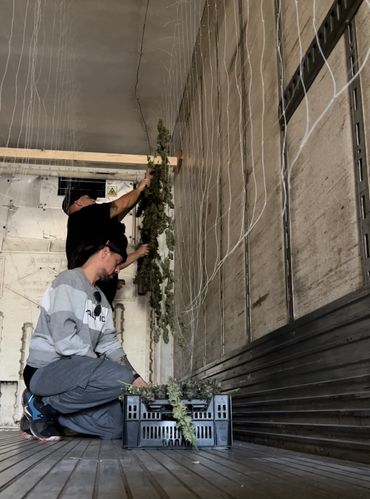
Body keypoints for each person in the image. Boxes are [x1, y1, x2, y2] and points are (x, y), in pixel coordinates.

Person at [21, 237, 146, 442]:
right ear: (104, 252)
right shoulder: (67, 281)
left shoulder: (102, 300)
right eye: (117, 262)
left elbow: (109, 344)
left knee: (114, 428)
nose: (117, 270)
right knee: (117, 378)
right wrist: (111, 373)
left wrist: (135, 376)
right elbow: (64, 342)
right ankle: (40, 403)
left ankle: (40, 415)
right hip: (46, 370)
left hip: (78, 372)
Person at [62, 171, 152, 305]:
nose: (94, 201)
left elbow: (117, 216)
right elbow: (119, 206)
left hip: (96, 306)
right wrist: (139, 188)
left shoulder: (81, 226)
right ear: (79, 202)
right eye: (89, 198)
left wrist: (138, 194)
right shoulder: (84, 215)